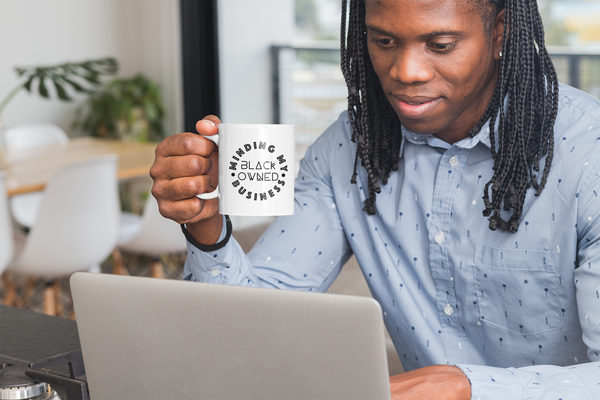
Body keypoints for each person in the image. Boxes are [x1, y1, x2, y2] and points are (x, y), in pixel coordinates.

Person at [150, 0, 600, 398]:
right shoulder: (346, 149)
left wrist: (466, 387)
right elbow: (242, 336)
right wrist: (207, 226)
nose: (406, 72)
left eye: (440, 44)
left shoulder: (589, 157)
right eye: (384, 40)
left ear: (499, 32)